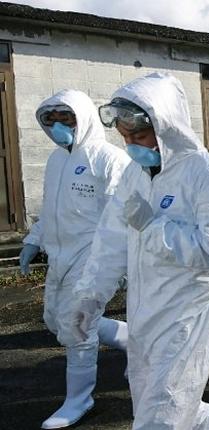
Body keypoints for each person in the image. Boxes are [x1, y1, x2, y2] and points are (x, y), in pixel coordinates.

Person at [66, 72, 209, 429]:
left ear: (166, 125)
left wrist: (153, 226)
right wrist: (89, 298)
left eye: (139, 135)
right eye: (125, 137)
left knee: (163, 416)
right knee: (164, 405)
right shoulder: (134, 175)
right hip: (143, 312)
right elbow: (110, 241)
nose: (131, 145)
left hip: (186, 315)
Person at [23, 90, 131, 429]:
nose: (58, 126)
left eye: (65, 119)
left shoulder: (108, 158)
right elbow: (49, 209)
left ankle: (79, 400)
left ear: (82, 118)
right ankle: (132, 339)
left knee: (77, 324)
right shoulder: (56, 160)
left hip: (94, 257)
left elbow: (122, 213)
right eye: (50, 120)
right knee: (55, 320)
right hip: (60, 255)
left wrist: (119, 264)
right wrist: (32, 240)